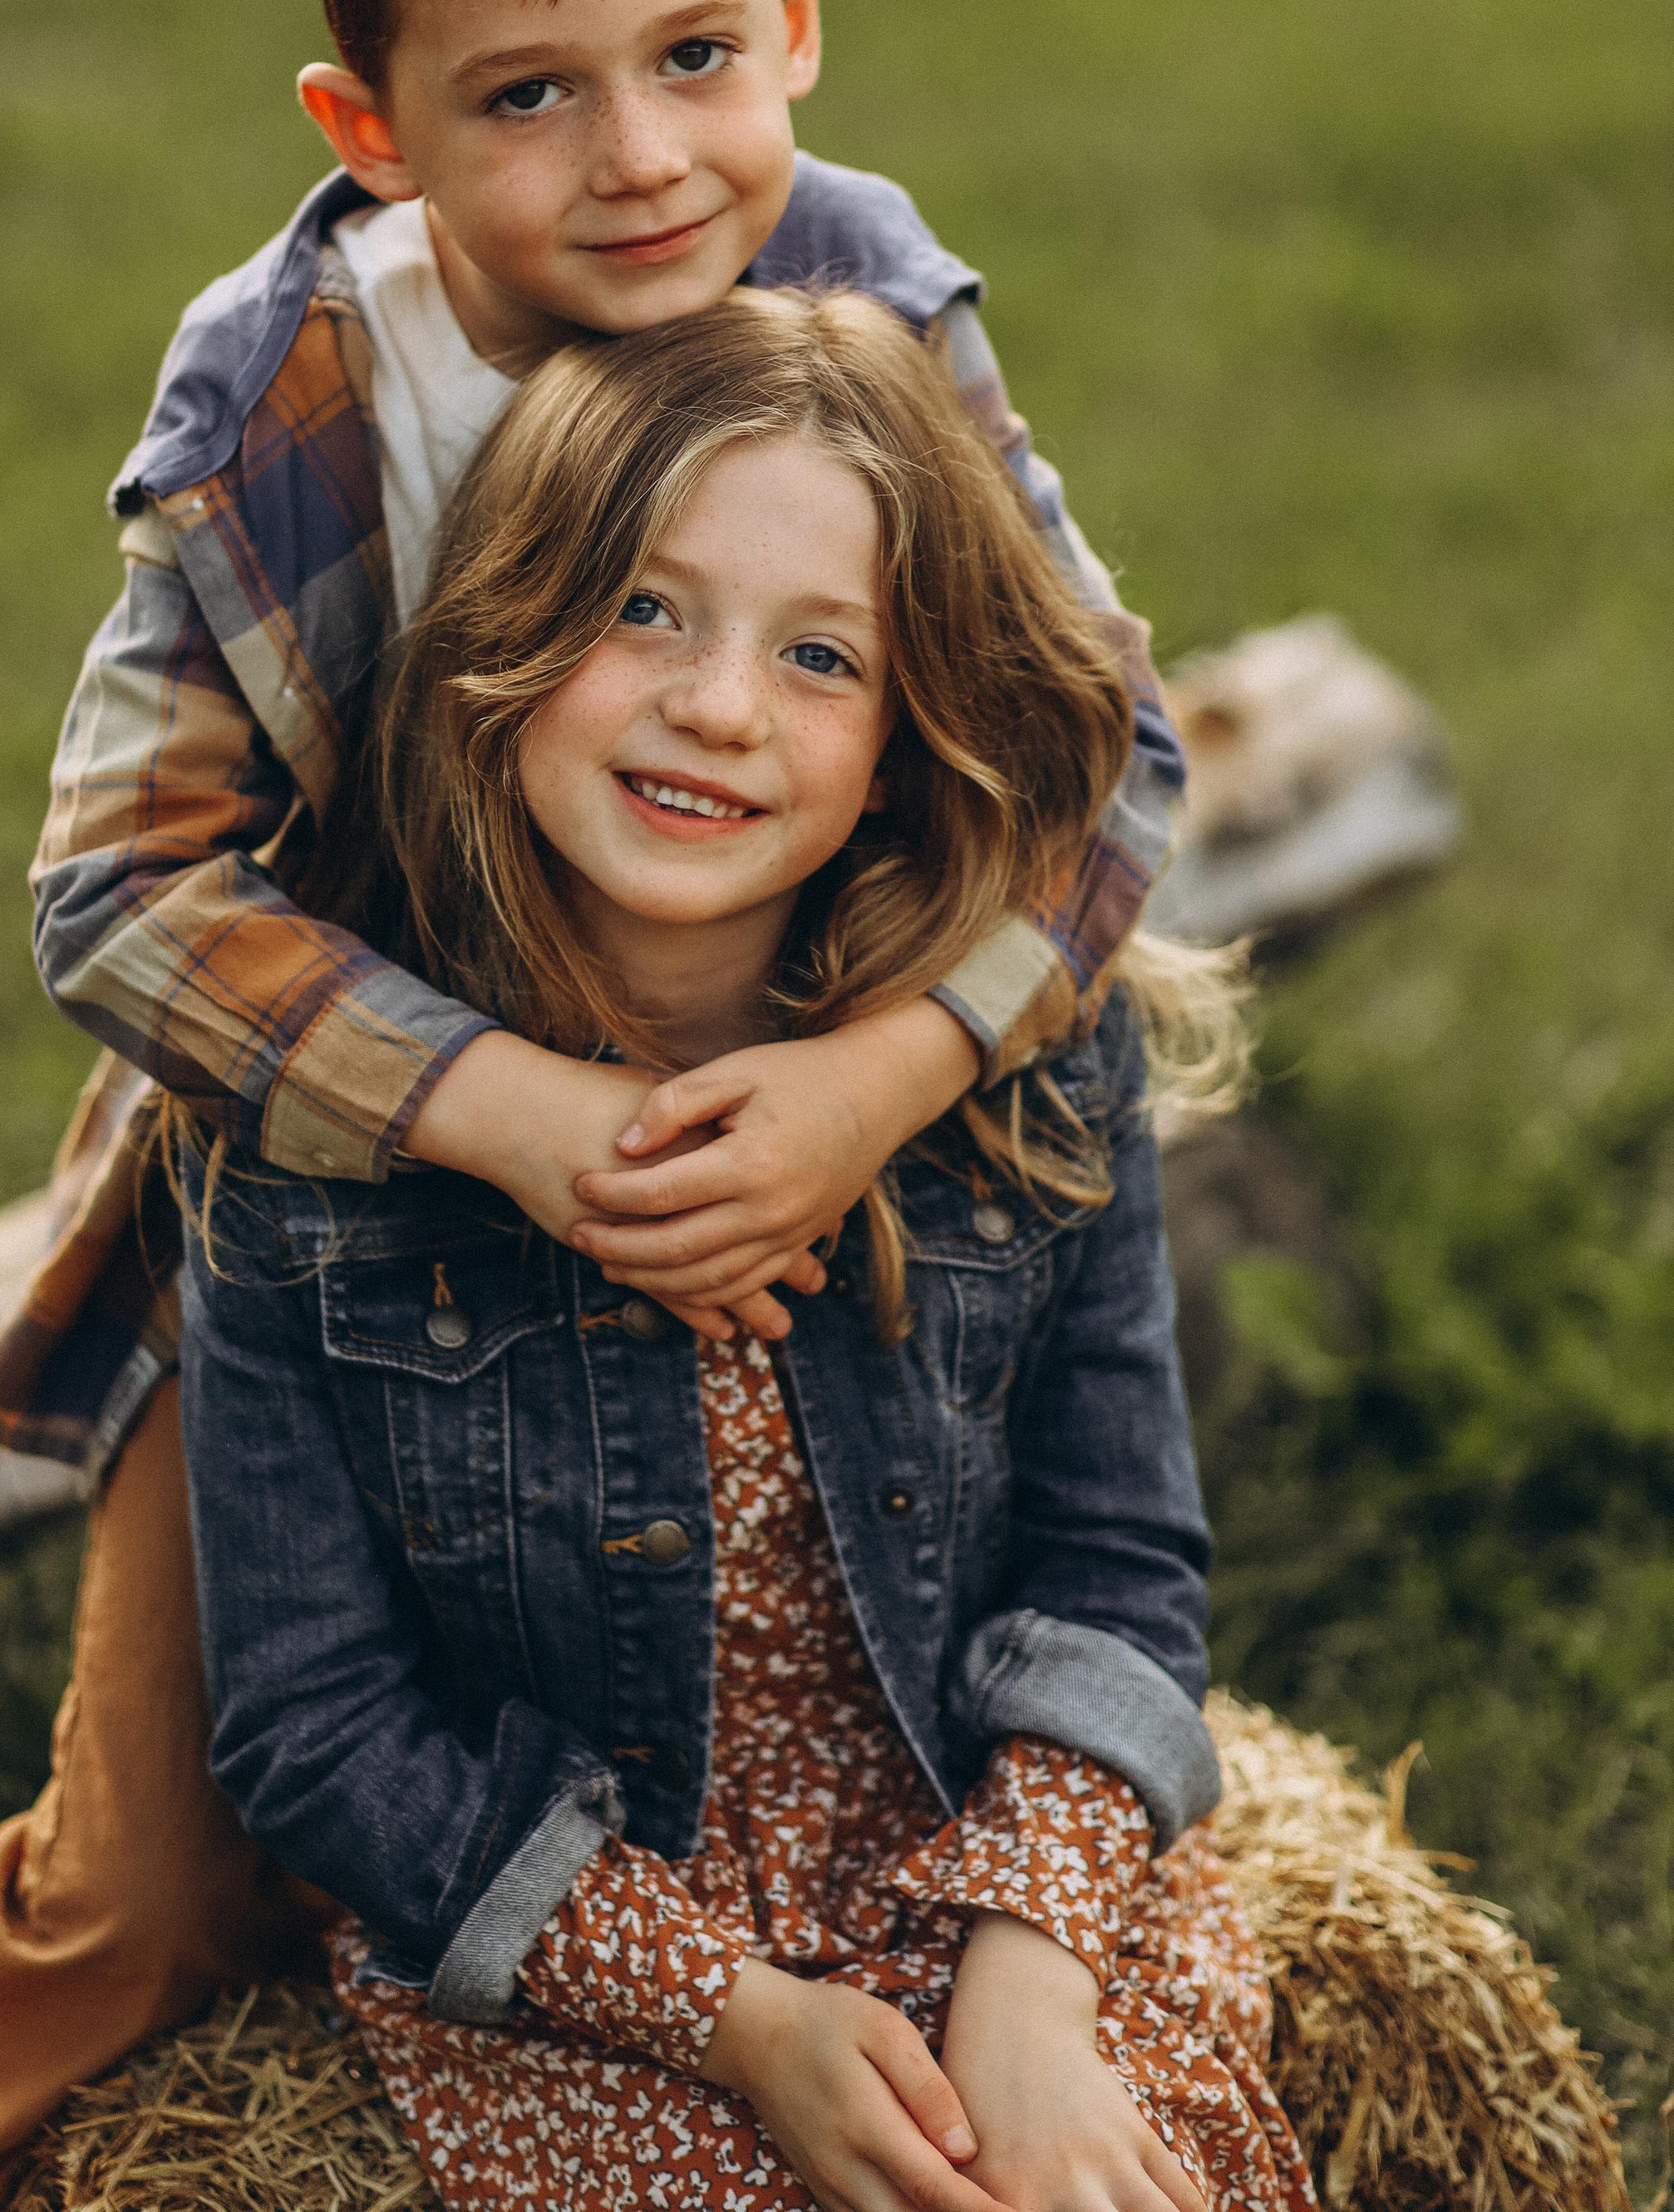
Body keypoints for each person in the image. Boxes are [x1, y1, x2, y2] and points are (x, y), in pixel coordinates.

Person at [0, 0, 1188, 2210]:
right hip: (355, 1208)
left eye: (696, 54)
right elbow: (118, 891)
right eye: (526, 94)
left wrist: (880, 1080)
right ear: (376, 127)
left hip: (792, 1097)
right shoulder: (296, 398)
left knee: (810, 1726)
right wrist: (528, 1123)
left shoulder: (871, 290)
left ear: (798, 15)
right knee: (162, 1879)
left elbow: (1106, 745)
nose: (642, 157)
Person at [181, 288, 1308, 2212]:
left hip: (988, 1873)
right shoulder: (313, 1148)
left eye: (815, 656)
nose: (717, 705)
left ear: (900, 741)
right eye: (642, 608)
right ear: (501, 638)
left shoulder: (1028, 1074)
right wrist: (730, 2016)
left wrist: (1024, 1994)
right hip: (585, 1952)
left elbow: (1118, 1562)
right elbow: (312, 1726)